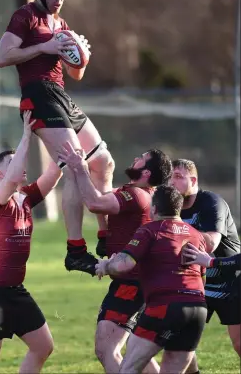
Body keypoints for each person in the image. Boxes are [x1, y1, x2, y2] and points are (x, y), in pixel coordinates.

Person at [0, 0, 115, 275]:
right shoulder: (25, 16)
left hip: (60, 95)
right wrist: (43, 47)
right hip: (38, 95)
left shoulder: (61, 23)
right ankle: (76, 251)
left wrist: (82, 56)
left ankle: (106, 236)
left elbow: (75, 73)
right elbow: (3, 56)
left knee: (103, 161)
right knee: (76, 165)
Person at [58, 143, 172, 373]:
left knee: (107, 349)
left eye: (141, 158)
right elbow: (102, 202)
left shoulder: (136, 195)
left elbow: (95, 203)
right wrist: (104, 236)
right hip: (140, 282)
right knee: (138, 351)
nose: (135, 159)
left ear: (146, 172)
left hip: (131, 284)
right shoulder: (138, 193)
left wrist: (80, 169)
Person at [0, 111, 62, 374]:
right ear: (0, 174)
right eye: (12, 162)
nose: (22, 166)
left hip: (14, 290)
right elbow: (12, 177)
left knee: (43, 346)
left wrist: (57, 134)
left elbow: (54, 172)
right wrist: (27, 135)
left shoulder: (26, 198)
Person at [96, 185, 208, 374]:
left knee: (128, 369)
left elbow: (124, 264)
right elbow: (202, 278)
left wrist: (106, 265)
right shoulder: (196, 234)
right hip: (197, 309)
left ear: (154, 209)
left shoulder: (150, 230)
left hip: (165, 307)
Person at [170, 159, 240, 360]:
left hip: (231, 282)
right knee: (178, 343)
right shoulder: (173, 207)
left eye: (178, 177)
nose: (171, 182)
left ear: (192, 180)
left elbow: (210, 244)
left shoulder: (211, 203)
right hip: (198, 285)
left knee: (239, 344)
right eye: (170, 177)